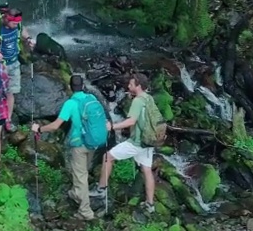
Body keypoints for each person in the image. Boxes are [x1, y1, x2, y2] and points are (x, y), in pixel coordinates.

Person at [30, 75, 108, 221]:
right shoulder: (92, 99)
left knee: (81, 176)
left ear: (70, 86)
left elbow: (55, 126)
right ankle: (76, 192)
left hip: (79, 144)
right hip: (94, 142)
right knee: (83, 170)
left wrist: (39, 129)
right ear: (83, 85)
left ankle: (85, 212)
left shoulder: (71, 103)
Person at [90, 73, 158, 214]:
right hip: (148, 141)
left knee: (107, 157)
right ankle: (150, 204)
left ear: (138, 86)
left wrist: (112, 126)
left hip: (137, 142)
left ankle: (101, 189)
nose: (128, 86)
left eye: (131, 84)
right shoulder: (148, 98)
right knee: (147, 170)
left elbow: (131, 121)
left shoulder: (138, 101)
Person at [0, 9, 33, 132]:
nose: (16, 25)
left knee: (10, 93)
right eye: (14, 23)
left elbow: (23, 30)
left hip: (14, 63)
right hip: (1, 66)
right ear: (7, 20)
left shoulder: (17, 25)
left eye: (18, 23)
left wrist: (28, 39)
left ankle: (7, 119)